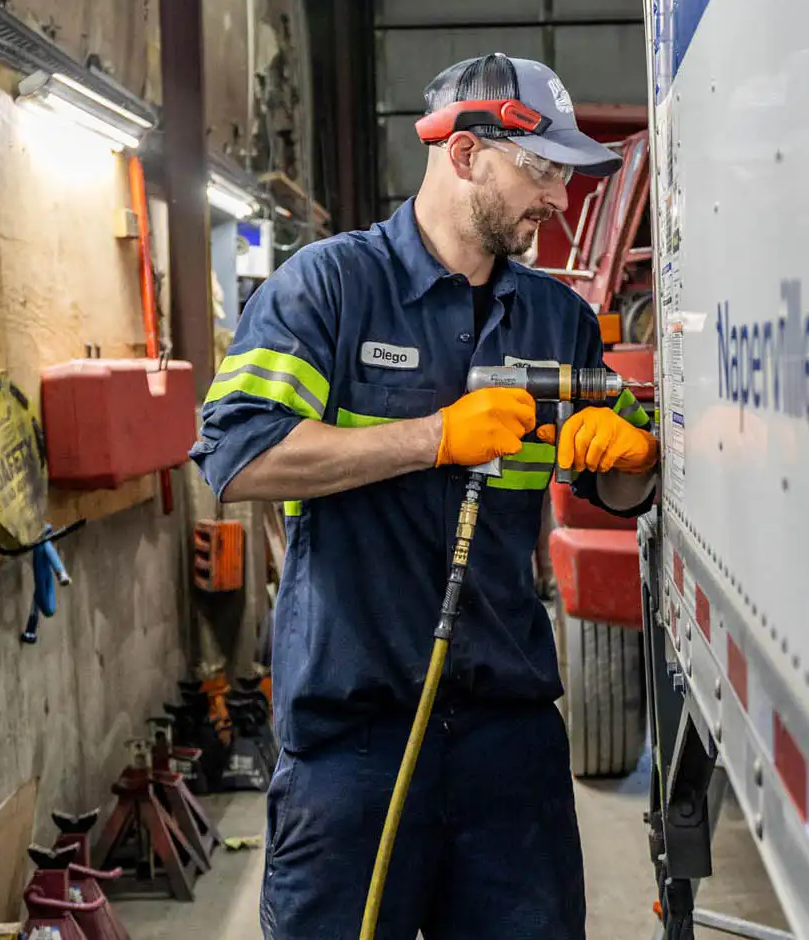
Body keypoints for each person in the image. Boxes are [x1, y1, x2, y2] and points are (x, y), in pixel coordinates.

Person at [190, 54, 660, 940]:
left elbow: (623, 481)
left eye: (566, 176)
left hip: (507, 742)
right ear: (466, 154)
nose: (558, 200)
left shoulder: (556, 321)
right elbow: (238, 456)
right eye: (542, 170)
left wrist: (632, 455)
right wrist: (434, 437)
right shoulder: (330, 289)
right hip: (353, 742)